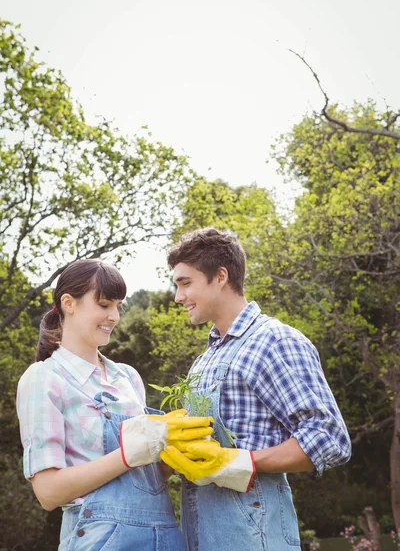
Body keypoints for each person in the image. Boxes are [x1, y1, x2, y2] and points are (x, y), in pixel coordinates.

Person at [160, 227, 352, 551]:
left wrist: (239, 461)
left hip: (254, 538)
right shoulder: (203, 362)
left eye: (185, 283)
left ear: (220, 277)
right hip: (200, 534)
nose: (178, 297)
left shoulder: (274, 341)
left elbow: (329, 438)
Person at [16, 259, 213, 551]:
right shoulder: (45, 378)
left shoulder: (128, 377)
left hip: (164, 536)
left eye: (118, 306)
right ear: (69, 303)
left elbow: (143, 478)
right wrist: (127, 455)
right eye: (105, 304)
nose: (115, 316)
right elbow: (48, 492)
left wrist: (177, 454)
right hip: (100, 540)